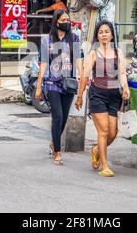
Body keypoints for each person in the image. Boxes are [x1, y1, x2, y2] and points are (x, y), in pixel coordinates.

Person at [75, 20, 130, 177]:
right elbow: (84, 77)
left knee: (113, 132)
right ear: (97, 36)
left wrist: (125, 87)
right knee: (103, 131)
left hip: (114, 95)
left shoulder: (118, 52)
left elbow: (122, 73)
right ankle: (104, 166)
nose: (104, 34)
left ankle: (96, 149)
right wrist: (79, 97)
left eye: (106, 31)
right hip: (97, 94)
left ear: (112, 34)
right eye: (101, 32)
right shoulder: (93, 53)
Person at [35, 9, 83, 165]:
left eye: (68, 20)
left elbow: (79, 62)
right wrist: (39, 86)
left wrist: (83, 78)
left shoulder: (74, 38)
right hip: (51, 82)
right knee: (57, 116)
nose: (67, 22)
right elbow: (43, 63)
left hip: (68, 83)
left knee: (63, 118)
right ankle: (57, 151)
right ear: (57, 22)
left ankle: (53, 143)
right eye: (64, 20)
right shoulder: (46, 40)